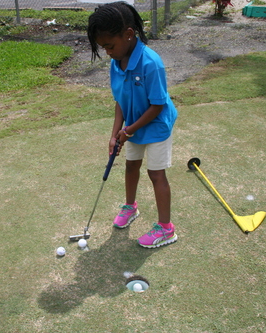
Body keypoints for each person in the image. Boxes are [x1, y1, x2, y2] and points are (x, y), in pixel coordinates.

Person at [87, 1, 178, 248]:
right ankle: (130, 207)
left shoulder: (151, 63)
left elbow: (157, 105)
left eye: (109, 45)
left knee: (156, 174)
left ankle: (166, 229)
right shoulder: (116, 63)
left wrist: (129, 130)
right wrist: (115, 133)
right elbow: (120, 101)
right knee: (131, 166)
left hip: (156, 125)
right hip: (132, 127)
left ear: (128, 35)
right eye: (103, 47)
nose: (107, 52)